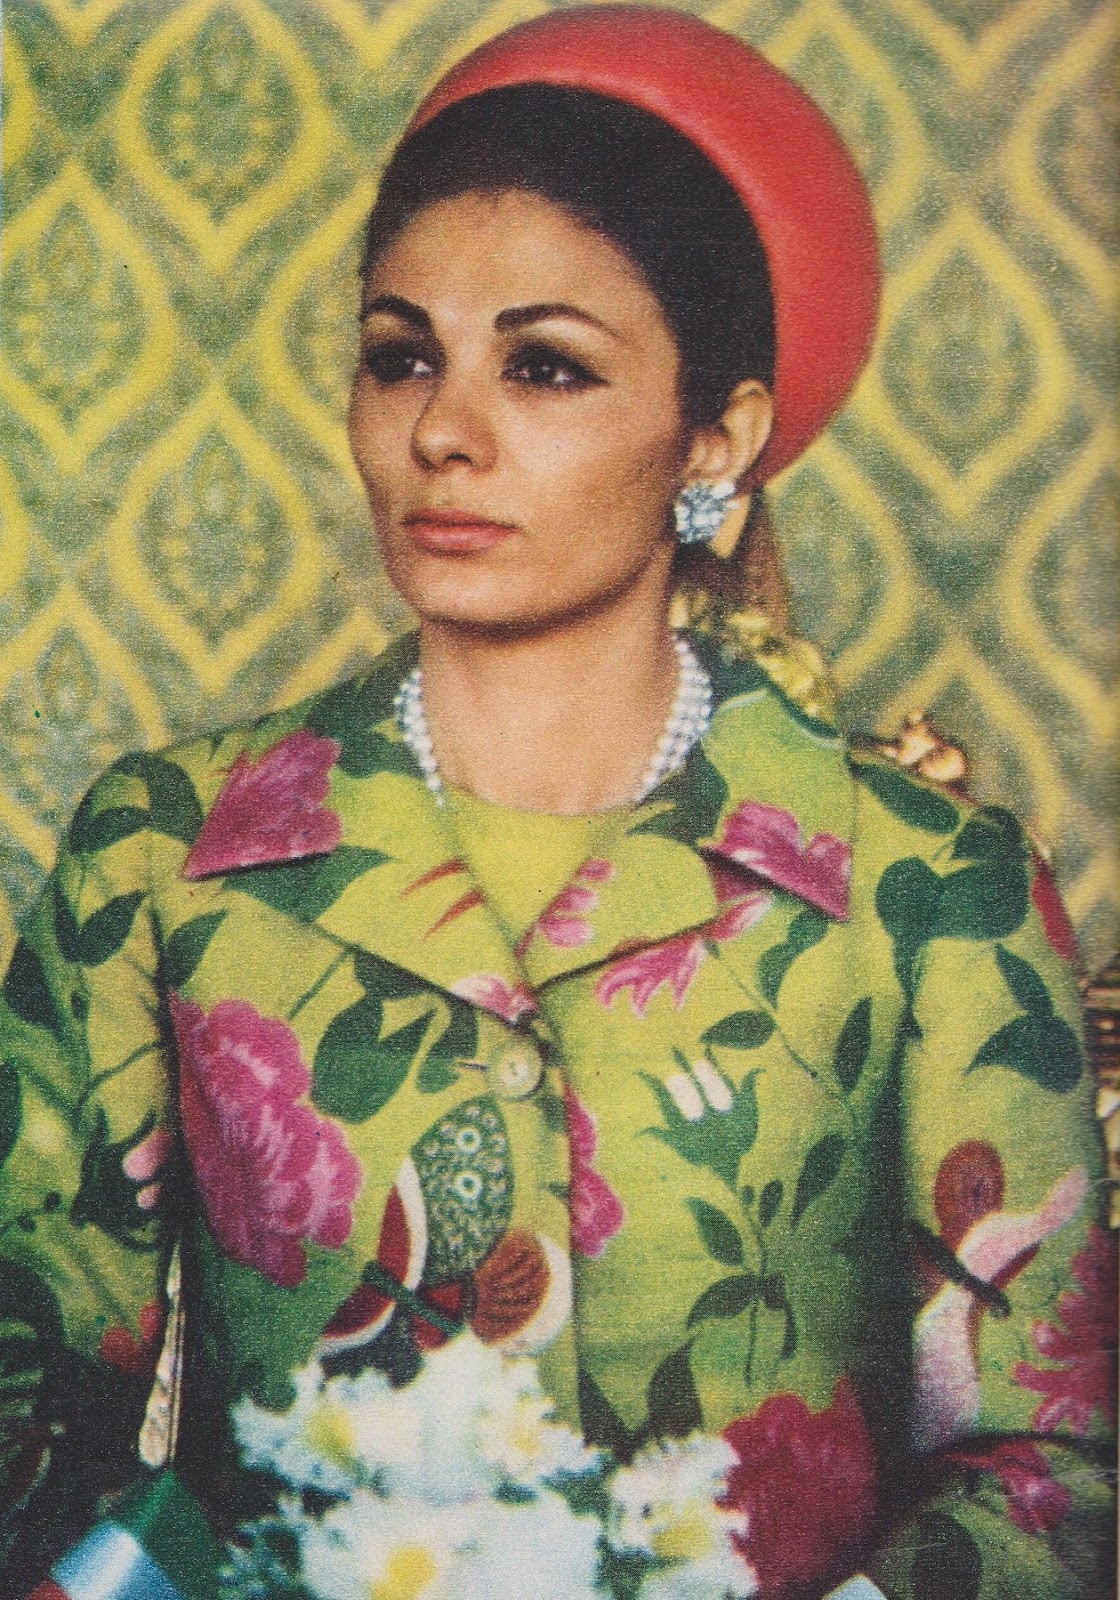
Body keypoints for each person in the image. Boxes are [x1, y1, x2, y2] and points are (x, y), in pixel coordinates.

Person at [0, 7, 1112, 1597]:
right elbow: (29, 1405)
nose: (443, 433)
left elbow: (1050, 1473)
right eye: (403, 358)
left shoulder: (926, 885)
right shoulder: (164, 854)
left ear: (717, 435)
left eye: (546, 367)